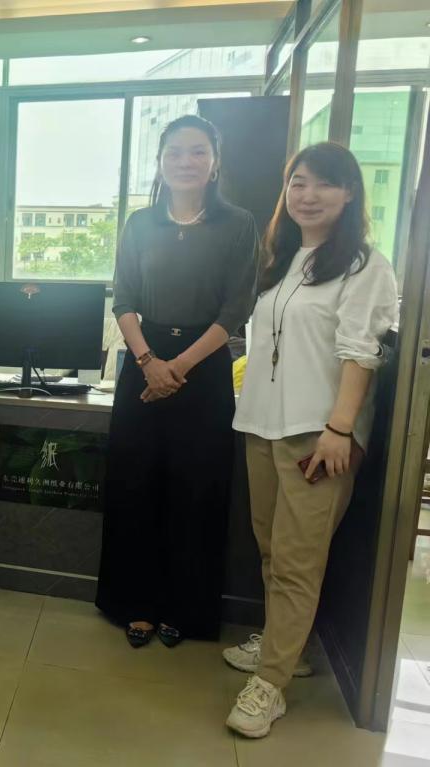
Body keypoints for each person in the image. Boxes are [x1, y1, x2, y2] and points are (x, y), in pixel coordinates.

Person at [224, 142, 398, 738]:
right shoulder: (285, 259)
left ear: (349, 193)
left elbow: (361, 353)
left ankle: (270, 684)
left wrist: (340, 429)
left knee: (299, 560)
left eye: (324, 183)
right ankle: (286, 646)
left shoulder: (365, 265)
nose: (308, 195)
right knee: (272, 549)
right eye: (298, 182)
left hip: (317, 436)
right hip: (262, 423)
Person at [95, 114, 258, 649]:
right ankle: (134, 603)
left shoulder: (238, 224)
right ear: (160, 162)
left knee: (196, 490)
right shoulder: (140, 222)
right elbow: (124, 298)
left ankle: (184, 607)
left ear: (215, 162)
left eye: (197, 152)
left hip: (204, 368)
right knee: (134, 485)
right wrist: (148, 361)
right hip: (143, 360)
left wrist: (178, 367)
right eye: (174, 153)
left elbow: (236, 309)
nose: (185, 162)